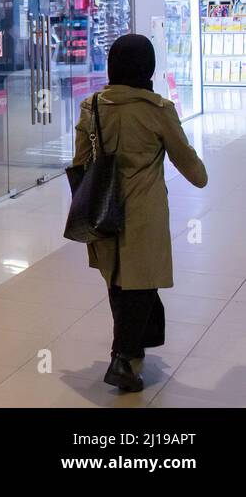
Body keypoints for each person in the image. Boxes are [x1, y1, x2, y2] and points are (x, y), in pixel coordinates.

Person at [71, 34, 207, 392]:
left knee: (119, 280)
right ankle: (123, 358)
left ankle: (130, 354)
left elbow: (80, 163)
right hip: (144, 213)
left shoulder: (92, 106)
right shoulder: (157, 110)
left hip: (103, 210)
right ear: (148, 67)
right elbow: (193, 170)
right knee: (141, 283)